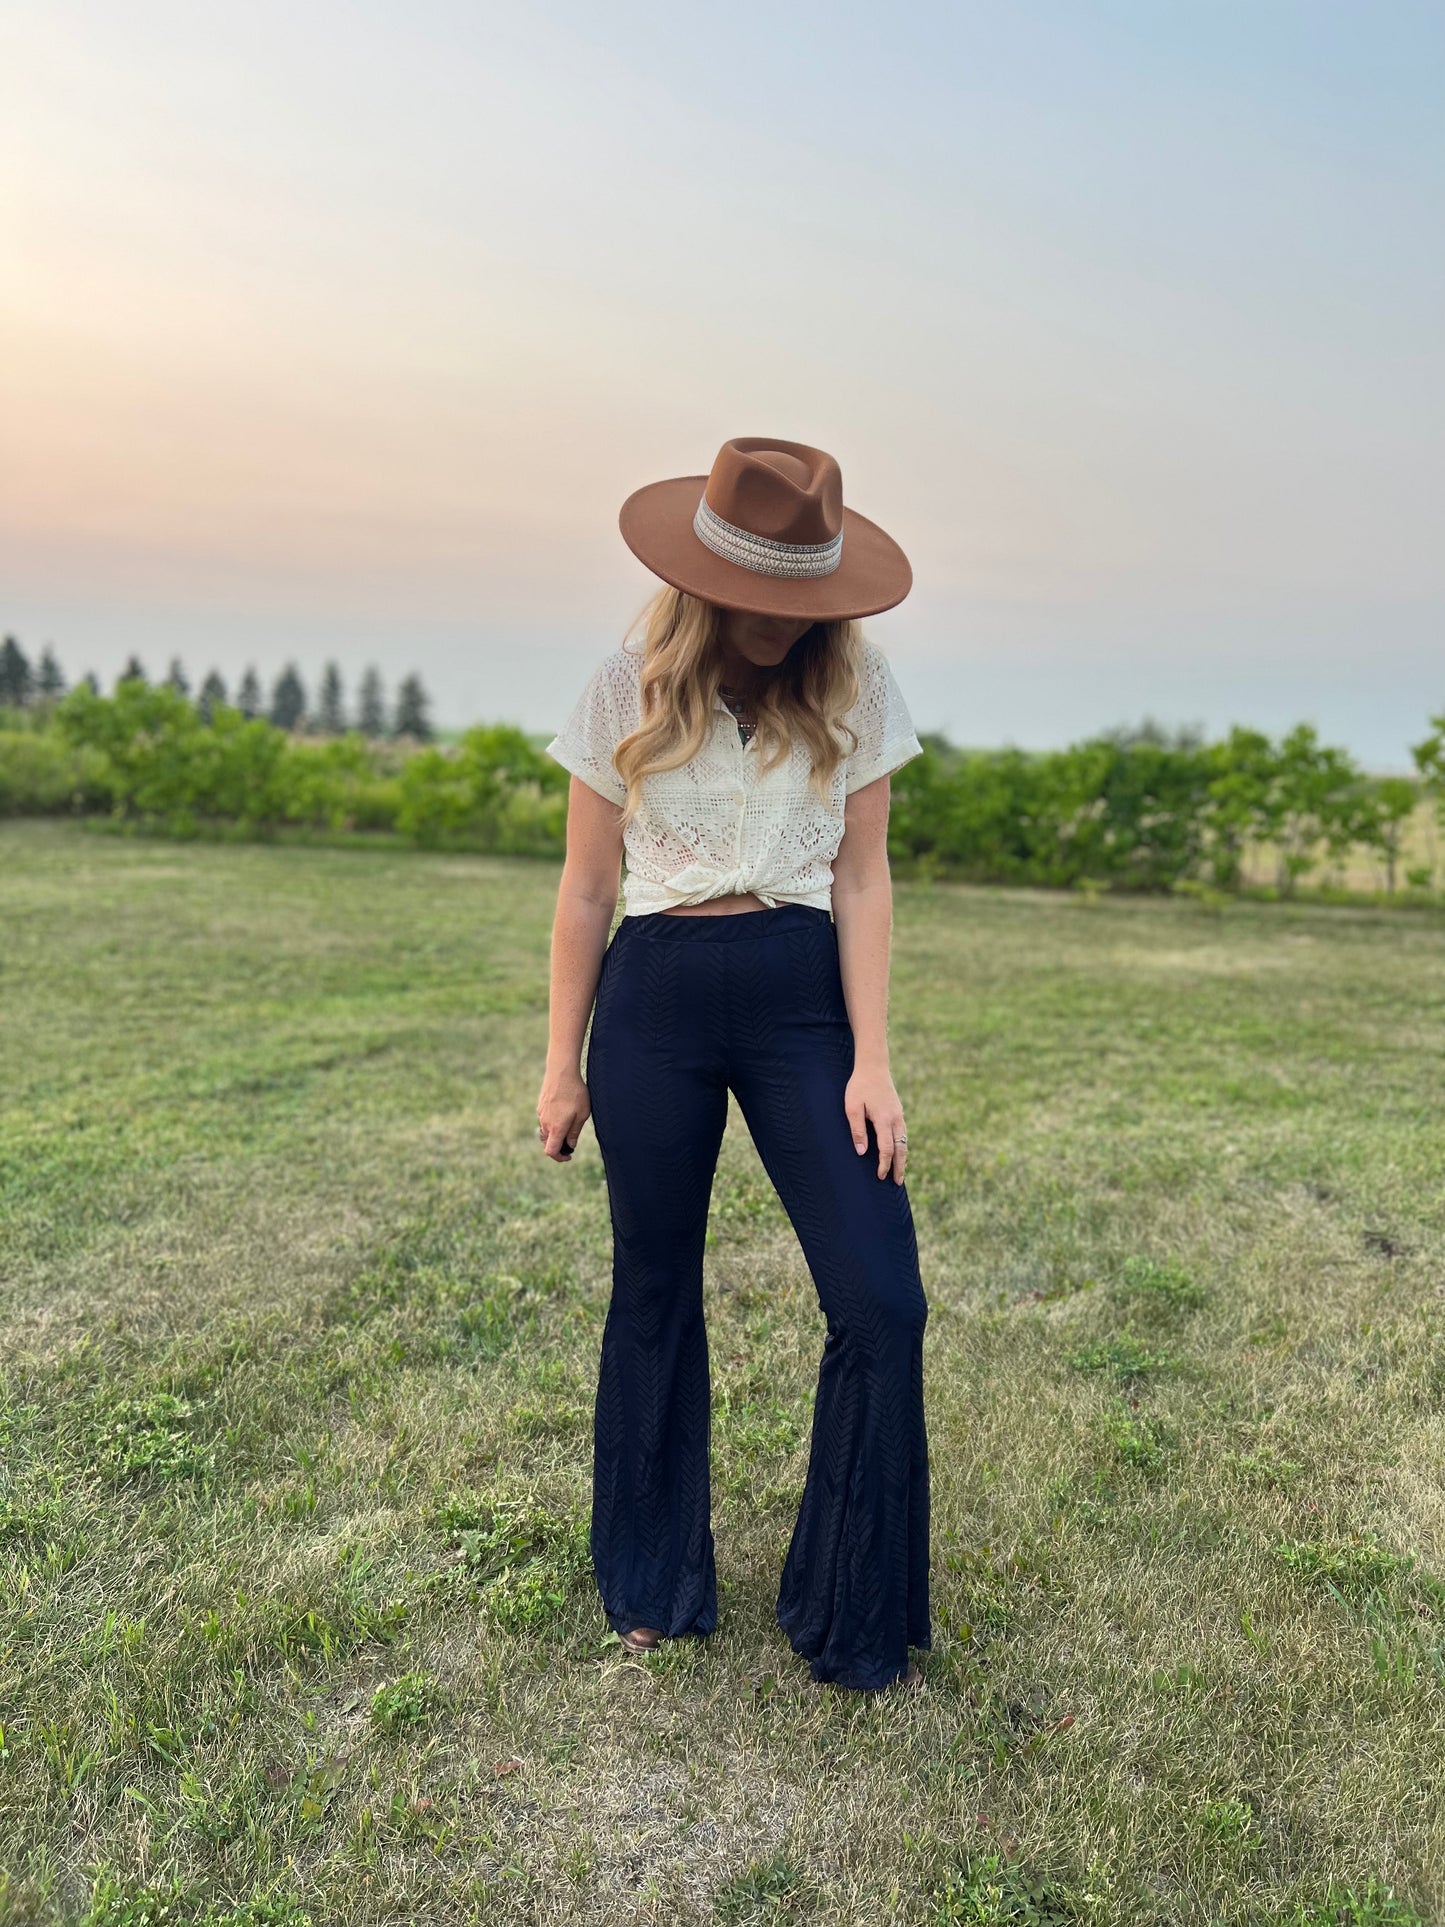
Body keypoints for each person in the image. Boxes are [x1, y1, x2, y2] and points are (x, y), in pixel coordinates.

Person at [536, 436, 931, 1693]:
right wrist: (560, 1062)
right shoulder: (624, 687)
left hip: (800, 1002)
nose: (774, 622)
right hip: (652, 996)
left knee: (881, 1298)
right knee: (654, 1288)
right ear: (703, 576)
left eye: (797, 598)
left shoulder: (857, 686)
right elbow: (586, 886)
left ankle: (849, 1605)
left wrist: (873, 1058)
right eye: (756, 595)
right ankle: (652, 1577)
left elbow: (862, 875)